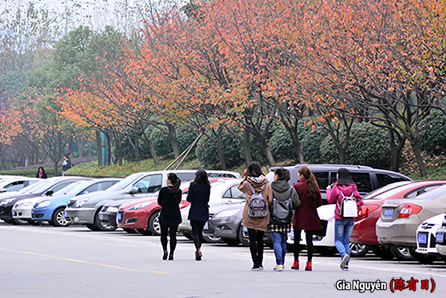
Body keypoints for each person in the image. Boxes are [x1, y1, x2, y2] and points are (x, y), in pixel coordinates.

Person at [238, 162, 273, 271]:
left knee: (252, 239)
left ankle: (255, 263)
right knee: (260, 239)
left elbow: (240, 187)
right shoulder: (267, 182)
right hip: (263, 214)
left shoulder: (246, 183)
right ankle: (261, 263)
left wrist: (245, 176)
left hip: (250, 214)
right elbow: (270, 199)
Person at [327, 168, 363, 271]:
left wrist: (329, 190)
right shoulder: (353, 187)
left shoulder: (336, 187)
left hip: (340, 216)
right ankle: (346, 264)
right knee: (346, 241)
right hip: (351, 217)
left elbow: (331, 200)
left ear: (339, 176)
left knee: (338, 239)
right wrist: (352, 205)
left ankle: (343, 254)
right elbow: (360, 201)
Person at [292, 166, 323, 271]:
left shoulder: (296, 186)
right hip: (311, 216)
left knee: (296, 240)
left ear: (301, 175)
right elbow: (319, 202)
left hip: (299, 215)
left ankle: (296, 262)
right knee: (309, 241)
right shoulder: (314, 186)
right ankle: (309, 263)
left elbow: (294, 203)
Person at [270, 168, 300, 271]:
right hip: (287, 218)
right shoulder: (291, 189)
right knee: (283, 240)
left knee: (276, 241)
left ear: (277, 176)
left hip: (274, 218)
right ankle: (282, 261)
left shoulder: (270, 188)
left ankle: (279, 263)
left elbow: (267, 202)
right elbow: (297, 203)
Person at [187, 170, 211, 261]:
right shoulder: (207, 186)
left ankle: (197, 249)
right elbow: (207, 199)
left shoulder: (193, 185)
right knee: (200, 232)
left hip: (194, 210)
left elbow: (189, 198)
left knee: (195, 232)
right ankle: (199, 249)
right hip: (204, 210)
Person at [158, 173, 182, 261]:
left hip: (165, 214)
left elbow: (159, 202)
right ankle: (172, 253)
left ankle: (165, 250)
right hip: (175, 214)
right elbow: (178, 202)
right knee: (173, 235)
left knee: (163, 234)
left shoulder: (163, 190)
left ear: (169, 180)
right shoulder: (178, 191)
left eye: (167, 178)